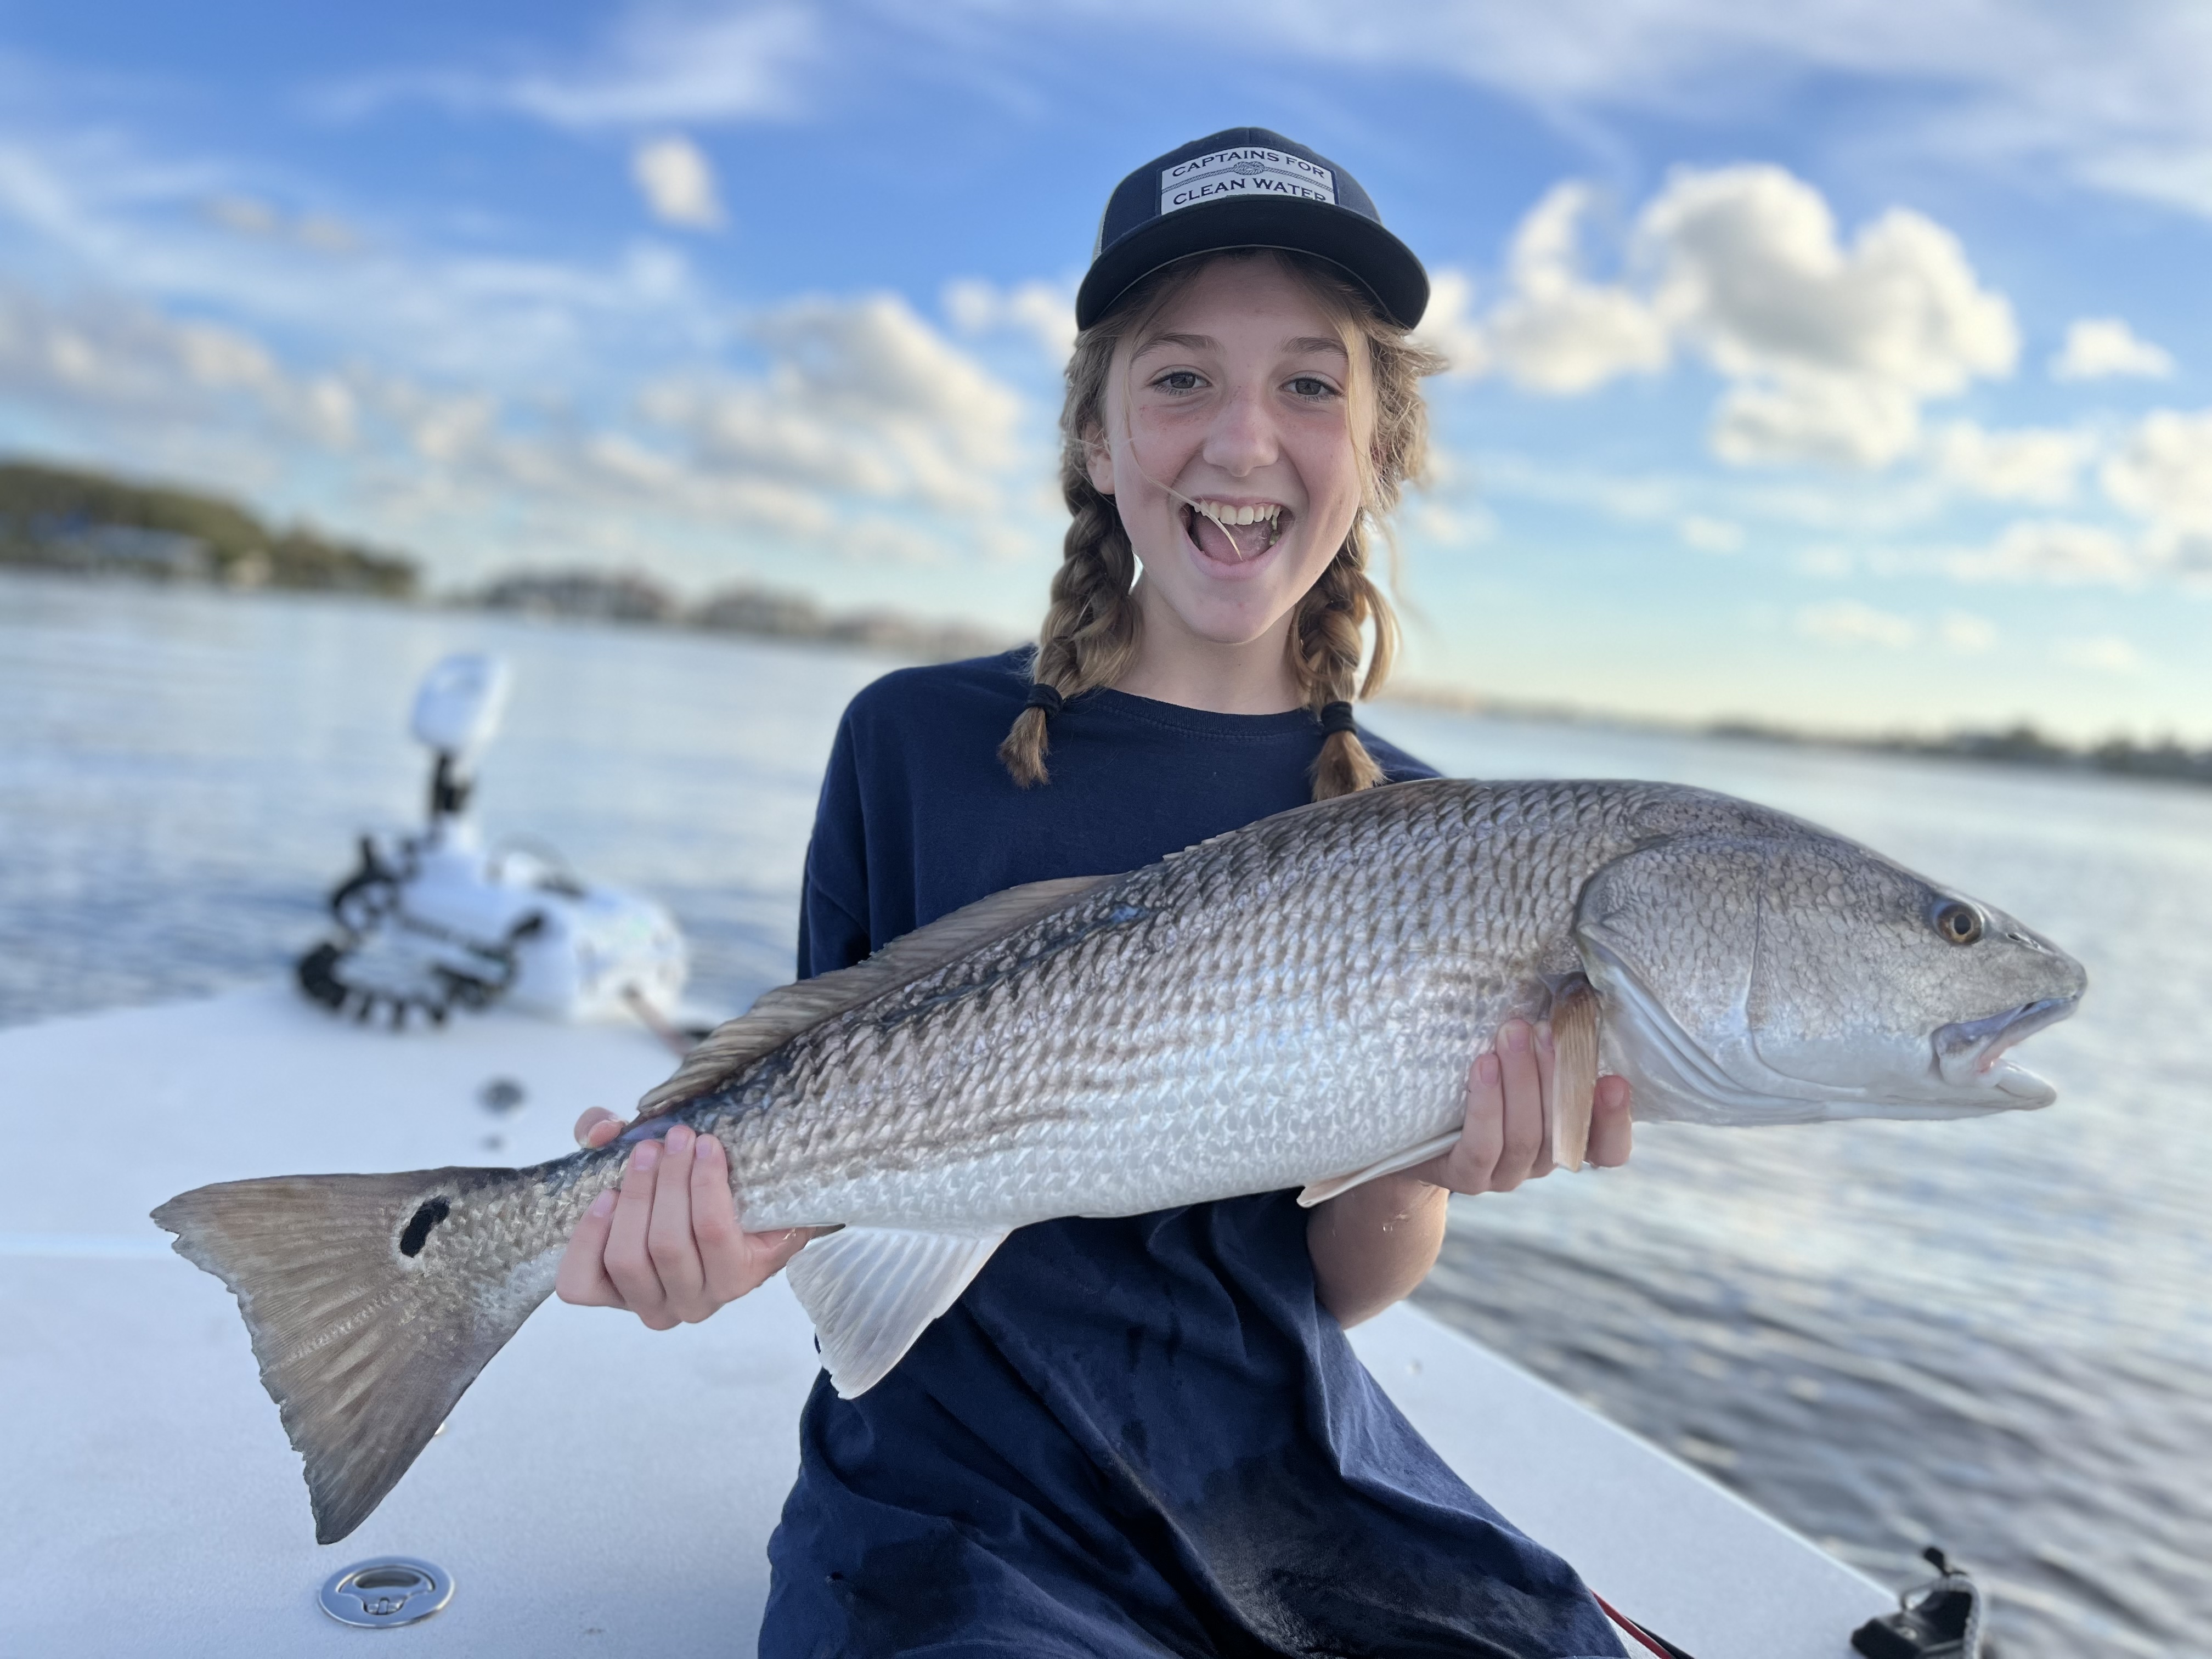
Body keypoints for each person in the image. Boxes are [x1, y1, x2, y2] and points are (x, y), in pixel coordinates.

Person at [557, 127, 1635, 1658]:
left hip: (1285, 1478)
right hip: (950, 1499)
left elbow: (1342, 1289)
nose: (1243, 440)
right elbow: (816, 1135)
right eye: (1180, 376)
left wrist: (1426, 1162)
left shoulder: (1425, 836)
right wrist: (713, 1234)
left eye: (1312, 383)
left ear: (1382, 447)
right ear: (1095, 436)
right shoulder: (914, 742)